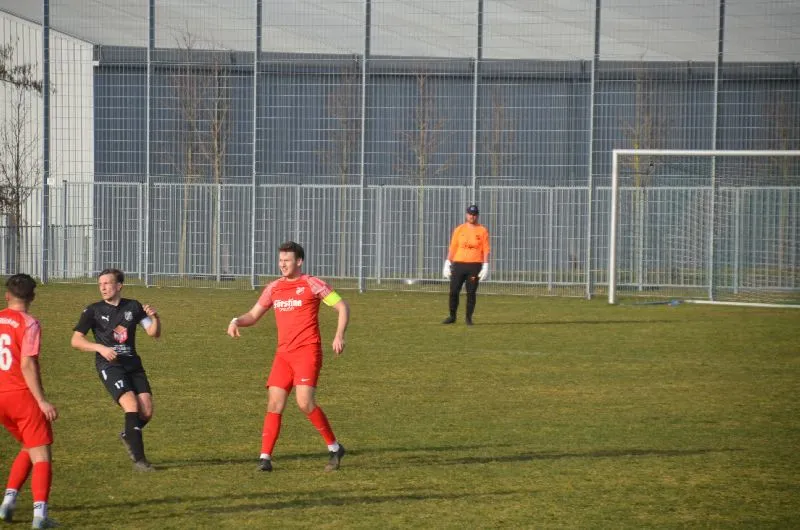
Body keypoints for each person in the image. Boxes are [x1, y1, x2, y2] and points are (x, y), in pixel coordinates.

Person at [228, 241, 350, 473]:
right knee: (274, 403)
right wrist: (236, 321)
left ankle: (334, 448)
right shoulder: (274, 288)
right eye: (280, 260)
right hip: (283, 355)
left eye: (287, 260)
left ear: (299, 261)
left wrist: (339, 335)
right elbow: (253, 315)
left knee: (304, 402)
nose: (282, 264)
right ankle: (265, 459)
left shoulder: (312, 284)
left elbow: (342, 306)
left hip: (307, 352)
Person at [70, 268, 161, 472]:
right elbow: (76, 340)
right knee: (131, 404)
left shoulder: (133, 306)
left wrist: (155, 318)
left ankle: (129, 433)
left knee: (146, 411)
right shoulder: (92, 310)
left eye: (107, 283)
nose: (103, 288)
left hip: (133, 365)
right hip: (109, 366)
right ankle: (140, 461)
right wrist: (100, 348)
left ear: (119, 286)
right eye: (100, 284)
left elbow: (153, 333)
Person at [0, 274, 59, 529]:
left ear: (7, 295)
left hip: (1, 399)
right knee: (42, 455)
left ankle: (8, 502)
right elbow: (26, 364)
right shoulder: (30, 324)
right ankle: (40, 516)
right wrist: (42, 401)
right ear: (32, 297)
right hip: (22, 396)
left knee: (29, 446)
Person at [442, 204, 491, 325]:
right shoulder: (459, 229)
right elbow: (453, 247)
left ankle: (468, 318)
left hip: (474, 265)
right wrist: (447, 262)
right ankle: (452, 316)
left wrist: (485, 265)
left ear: (477, 216)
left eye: (474, 214)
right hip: (459, 264)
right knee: (454, 290)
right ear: (466, 214)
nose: (472, 216)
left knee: (471, 292)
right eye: (470, 214)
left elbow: (485, 249)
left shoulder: (482, 230)